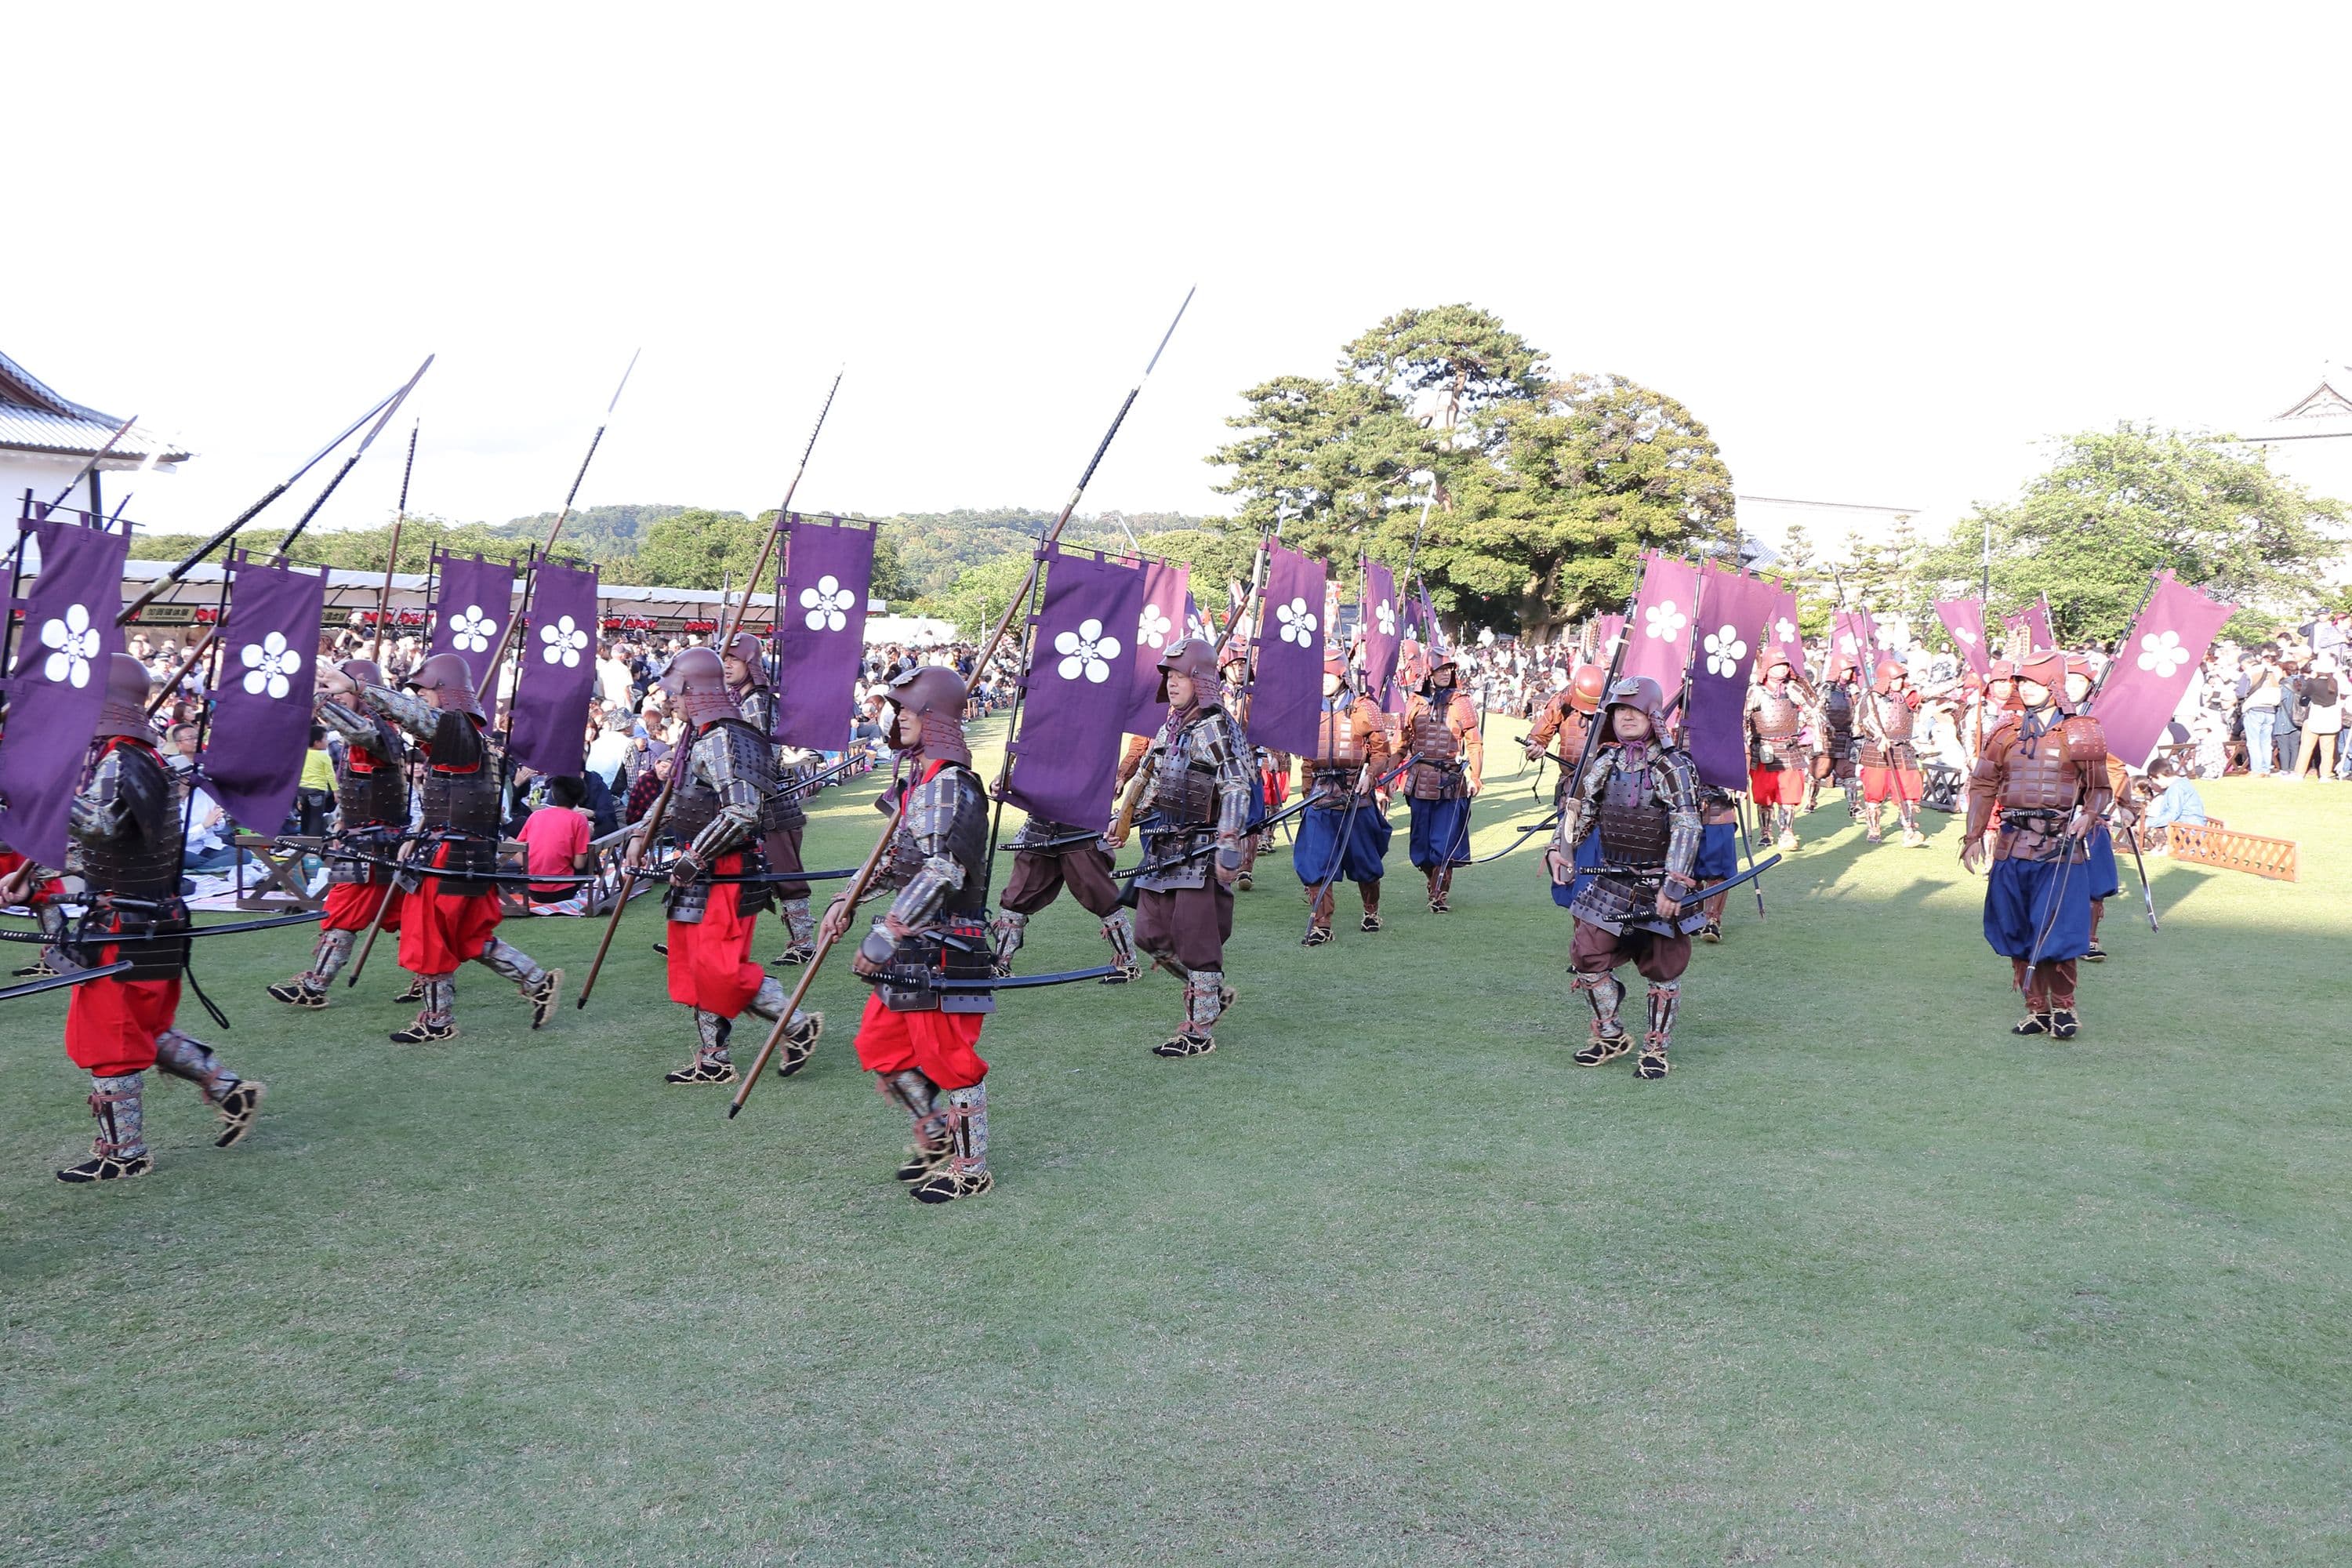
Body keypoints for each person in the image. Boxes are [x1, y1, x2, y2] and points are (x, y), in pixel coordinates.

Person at [36, 654, 263, 1181]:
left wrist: (39, 787)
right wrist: (30, 869)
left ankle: (125, 1153)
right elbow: (110, 843)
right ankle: (229, 1089)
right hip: (149, 919)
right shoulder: (140, 757)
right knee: (144, 1028)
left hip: (129, 925)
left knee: (111, 1038)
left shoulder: (125, 760)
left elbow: (99, 825)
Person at [317, 653, 563, 1043]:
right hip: (452, 851)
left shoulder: (459, 732)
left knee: (426, 933)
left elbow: (418, 719)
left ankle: (437, 1020)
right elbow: (442, 806)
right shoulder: (456, 740)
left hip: (454, 855)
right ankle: (536, 981)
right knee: (467, 936)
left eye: (425, 692)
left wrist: (360, 689)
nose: (421, 699)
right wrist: (416, 836)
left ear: (444, 693)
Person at [818, 666, 996, 1203]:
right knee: (880, 1043)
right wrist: (843, 902)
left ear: (934, 716)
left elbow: (943, 871)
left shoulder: (950, 783)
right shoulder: (919, 778)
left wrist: (886, 935)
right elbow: (894, 856)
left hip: (945, 942)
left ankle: (972, 1167)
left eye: (907, 708)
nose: (898, 717)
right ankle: (938, 1131)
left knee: (950, 1061)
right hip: (913, 946)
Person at [653, 648, 823, 1085]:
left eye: (677, 694)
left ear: (696, 692)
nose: (671, 701)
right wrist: (642, 835)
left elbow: (742, 812)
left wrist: (695, 856)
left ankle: (795, 1023)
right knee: (696, 967)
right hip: (702, 868)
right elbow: (687, 797)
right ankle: (713, 1059)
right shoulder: (699, 735)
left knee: (719, 968)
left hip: (724, 868)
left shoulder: (725, 738)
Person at [1544, 675, 1703, 1080]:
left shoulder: (1673, 766)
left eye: (1633, 711)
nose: (1625, 719)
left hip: (1658, 884)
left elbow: (1687, 824)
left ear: (1652, 715)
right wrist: (1558, 848)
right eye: (1618, 712)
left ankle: (1656, 1048)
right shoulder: (1607, 762)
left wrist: (1675, 882)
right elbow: (1579, 811)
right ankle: (1610, 1033)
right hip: (1612, 883)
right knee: (1587, 954)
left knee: (1663, 969)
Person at [1109, 636, 1251, 1058]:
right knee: (1149, 935)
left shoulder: (1217, 726)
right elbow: (1150, 777)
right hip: (1163, 847)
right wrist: (1123, 818)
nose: (1172, 683)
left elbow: (1237, 785)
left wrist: (1229, 843)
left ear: (1201, 679)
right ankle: (1212, 993)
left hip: (1201, 850)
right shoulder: (1171, 725)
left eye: (1181, 675)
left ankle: (1199, 1030)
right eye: (1169, 675)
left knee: (1197, 942)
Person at [1962, 649, 2112, 1039]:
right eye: (2021, 683)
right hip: (2012, 845)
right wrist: (1973, 835)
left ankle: (2064, 1010)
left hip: (2062, 847)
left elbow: (2099, 790)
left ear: (2053, 685)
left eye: (2032, 682)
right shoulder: (2005, 733)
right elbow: (1982, 785)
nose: (2024, 689)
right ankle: (2035, 1010)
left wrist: (2088, 815)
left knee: (2057, 929)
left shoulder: (2082, 732)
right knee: (2016, 928)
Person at [270, 658, 413, 1008]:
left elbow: (361, 732)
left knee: (345, 912)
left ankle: (315, 985)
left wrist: (319, 698)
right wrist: (339, 823)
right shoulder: (355, 737)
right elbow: (355, 791)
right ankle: (430, 977)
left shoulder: (377, 732)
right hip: (360, 840)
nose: (336, 696)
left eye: (343, 689)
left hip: (376, 846)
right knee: (409, 917)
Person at [717, 630, 817, 967]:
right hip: (748, 800)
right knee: (730, 871)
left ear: (750, 662)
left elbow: (764, 751)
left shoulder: (758, 701)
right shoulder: (742, 700)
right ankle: (712, 937)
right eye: (725, 659)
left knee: (787, 875)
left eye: (733, 659)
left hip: (772, 802)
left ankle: (804, 942)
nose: (727, 665)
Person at [1294, 648, 1392, 944]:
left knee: (1366, 863)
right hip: (1321, 798)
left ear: (1342, 676)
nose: (1324, 681)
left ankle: (1371, 911)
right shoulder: (1312, 709)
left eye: (1330, 675)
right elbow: (1308, 762)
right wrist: (1305, 796)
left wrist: (1370, 775)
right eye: (1320, 675)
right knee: (1315, 863)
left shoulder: (1364, 709)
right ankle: (1322, 925)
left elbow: (1381, 753)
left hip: (1355, 796)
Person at [1396, 639, 1483, 912]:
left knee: (1443, 843)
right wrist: (1383, 775)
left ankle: (1439, 893)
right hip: (1420, 779)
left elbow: (1474, 742)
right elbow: (1402, 743)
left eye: (1449, 669)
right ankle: (1431, 878)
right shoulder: (1414, 702)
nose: (1445, 673)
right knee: (1421, 847)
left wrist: (1476, 775)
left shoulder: (1462, 702)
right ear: (1428, 672)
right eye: (1440, 669)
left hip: (1450, 781)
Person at [1857, 658, 1929, 847]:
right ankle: (1874, 828)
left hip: (1902, 748)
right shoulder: (1872, 696)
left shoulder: (1908, 695)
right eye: (1896, 678)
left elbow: (1929, 692)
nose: (1899, 682)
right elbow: (1865, 719)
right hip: (1877, 750)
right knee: (1874, 790)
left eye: (1902, 678)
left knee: (1908, 789)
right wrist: (1880, 736)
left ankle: (1909, 830)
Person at [1744, 655, 1812, 851]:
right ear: (1767, 667)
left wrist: (1809, 734)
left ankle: (1786, 832)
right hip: (1763, 748)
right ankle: (1766, 831)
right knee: (1764, 796)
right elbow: (1742, 718)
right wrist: (1743, 745)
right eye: (1777, 665)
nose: (1782, 669)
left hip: (1789, 748)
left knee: (1788, 796)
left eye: (1785, 664)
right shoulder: (1755, 691)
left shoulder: (1794, 688)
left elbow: (1813, 711)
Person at [1525, 664, 1606, 811]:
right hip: (1570, 784)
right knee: (1566, 832)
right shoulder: (1562, 700)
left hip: (1605, 788)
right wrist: (1536, 744)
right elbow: (1542, 731)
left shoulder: (1614, 703)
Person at [517, 775, 596, 916]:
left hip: (532, 889)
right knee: (590, 850)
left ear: (553, 794)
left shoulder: (536, 816)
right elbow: (579, 864)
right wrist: (588, 836)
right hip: (563, 891)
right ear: (581, 797)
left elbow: (518, 849)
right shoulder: (579, 819)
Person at [2291, 653, 2341, 780]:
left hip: (2315, 717)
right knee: (2328, 750)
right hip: (2332, 718)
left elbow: (2303, 695)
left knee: (2306, 748)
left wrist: (2310, 679)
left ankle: (2299, 774)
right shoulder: (2336, 682)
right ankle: (2325, 775)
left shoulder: (2313, 683)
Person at [2140, 756, 2206, 837]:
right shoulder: (2180, 783)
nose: (2153, 782)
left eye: (2152, 778)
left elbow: (2173, 814)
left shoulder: (2176, 787)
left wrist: (2147, 822)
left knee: (2149, 832)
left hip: (2188, 830)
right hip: (2190, 827)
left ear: (2159, 775)